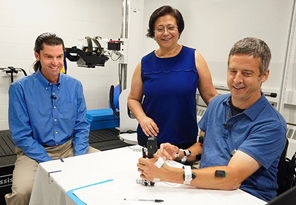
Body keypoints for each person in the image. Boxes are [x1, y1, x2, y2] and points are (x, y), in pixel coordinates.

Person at [137, 37, 287, 202]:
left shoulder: (271, 124)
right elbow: (202, 145)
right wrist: (181, 154)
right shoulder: (216, 104)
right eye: (233, 71)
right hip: (205, 188)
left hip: (246, 196)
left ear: (264, 75)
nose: (237, 80)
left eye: (247, 73)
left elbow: (231, 178)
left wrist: (169, 174)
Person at [5, 32, 98, 205]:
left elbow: (81, 125)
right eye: (49, 57)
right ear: (37, 55)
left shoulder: (74, 85)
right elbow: (21, 135)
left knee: (104, 171)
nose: (55, 63)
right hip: (33, 152)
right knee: (23, 193)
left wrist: (79, 157)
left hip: (69, 147)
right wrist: (51, 164)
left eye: (59, 56)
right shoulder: (20, 88)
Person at [128, 5, 217, 149]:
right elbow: (133, 99)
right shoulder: (144, 63)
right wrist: (142, 119)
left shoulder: (194, 57)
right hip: (150, 139)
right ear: (153, 32)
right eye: (160, 28)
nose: (165, 33)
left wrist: (233, 114)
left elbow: (211, 96)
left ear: (178, 30)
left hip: (184, 140)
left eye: (170, 27)